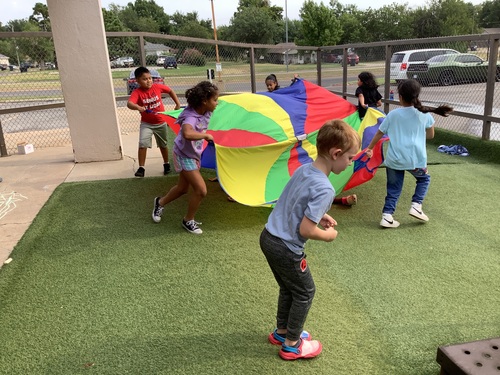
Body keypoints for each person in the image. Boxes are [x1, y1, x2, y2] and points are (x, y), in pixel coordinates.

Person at [260, 119, 361, 360]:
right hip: (287, 248)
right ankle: (292, 345)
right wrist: (328, 236)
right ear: (336, 153)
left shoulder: (305, 168)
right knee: (305, 292)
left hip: (268, 238)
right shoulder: (326, 189)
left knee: (288, 287)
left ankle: (282, 332)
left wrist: (320, 214)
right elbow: (306, 230)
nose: (350, 163)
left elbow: (294, 199)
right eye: (349, 158)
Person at [365, 79, 453, 228]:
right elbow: (431, 135)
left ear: (400, 97)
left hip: (394, 160)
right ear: (417, 95)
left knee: (393, 188)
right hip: (416, 160)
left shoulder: (393, 115)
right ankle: (416, 205)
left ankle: (387, 216)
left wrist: (370, 148)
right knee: (424, 179)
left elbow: (379, 133)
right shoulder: (425, 115)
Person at [151, 81, 218, 234]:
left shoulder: (205, 111)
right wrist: (205, 135)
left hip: (193, 154)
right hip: (184, 155)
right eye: (215, 100)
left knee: (182, 189)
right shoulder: (191, 117)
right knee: (201, 190)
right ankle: (188, 220)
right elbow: (187, 133)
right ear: (204, 101)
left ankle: (159, 202)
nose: (217, 103)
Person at [127, 66, 181, 178]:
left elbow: (170, 91)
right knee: (142, 144)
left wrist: (177, 104)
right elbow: (129, 104)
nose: (148, 81)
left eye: (150, 78)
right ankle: (141, 168)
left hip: (161, 122)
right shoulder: (137, 92)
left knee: (163, 144)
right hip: (146, 124)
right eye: (145, 79)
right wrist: (137, 107)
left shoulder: (157, 87)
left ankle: (166, 164)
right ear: (137, 81)